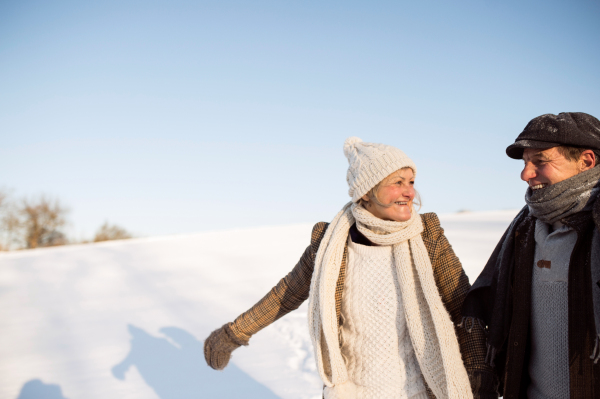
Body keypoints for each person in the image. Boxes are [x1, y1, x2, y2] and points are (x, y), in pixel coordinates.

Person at [204, 137, 496, 399]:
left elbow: (464, 307)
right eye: (397, 182)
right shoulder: (333, 244)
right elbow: (288, 291)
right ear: (366, 192)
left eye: (411, 181)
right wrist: (234, 333)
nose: (409, 192)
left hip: (424, 390)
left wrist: (478, 369)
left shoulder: (427, 237)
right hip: (354, 392)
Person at [462, 112, 600, 399]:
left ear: (586, 161)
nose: (525, 174)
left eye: (540, 161)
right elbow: (483, 299)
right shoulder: (524, 228)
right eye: (526, 163)